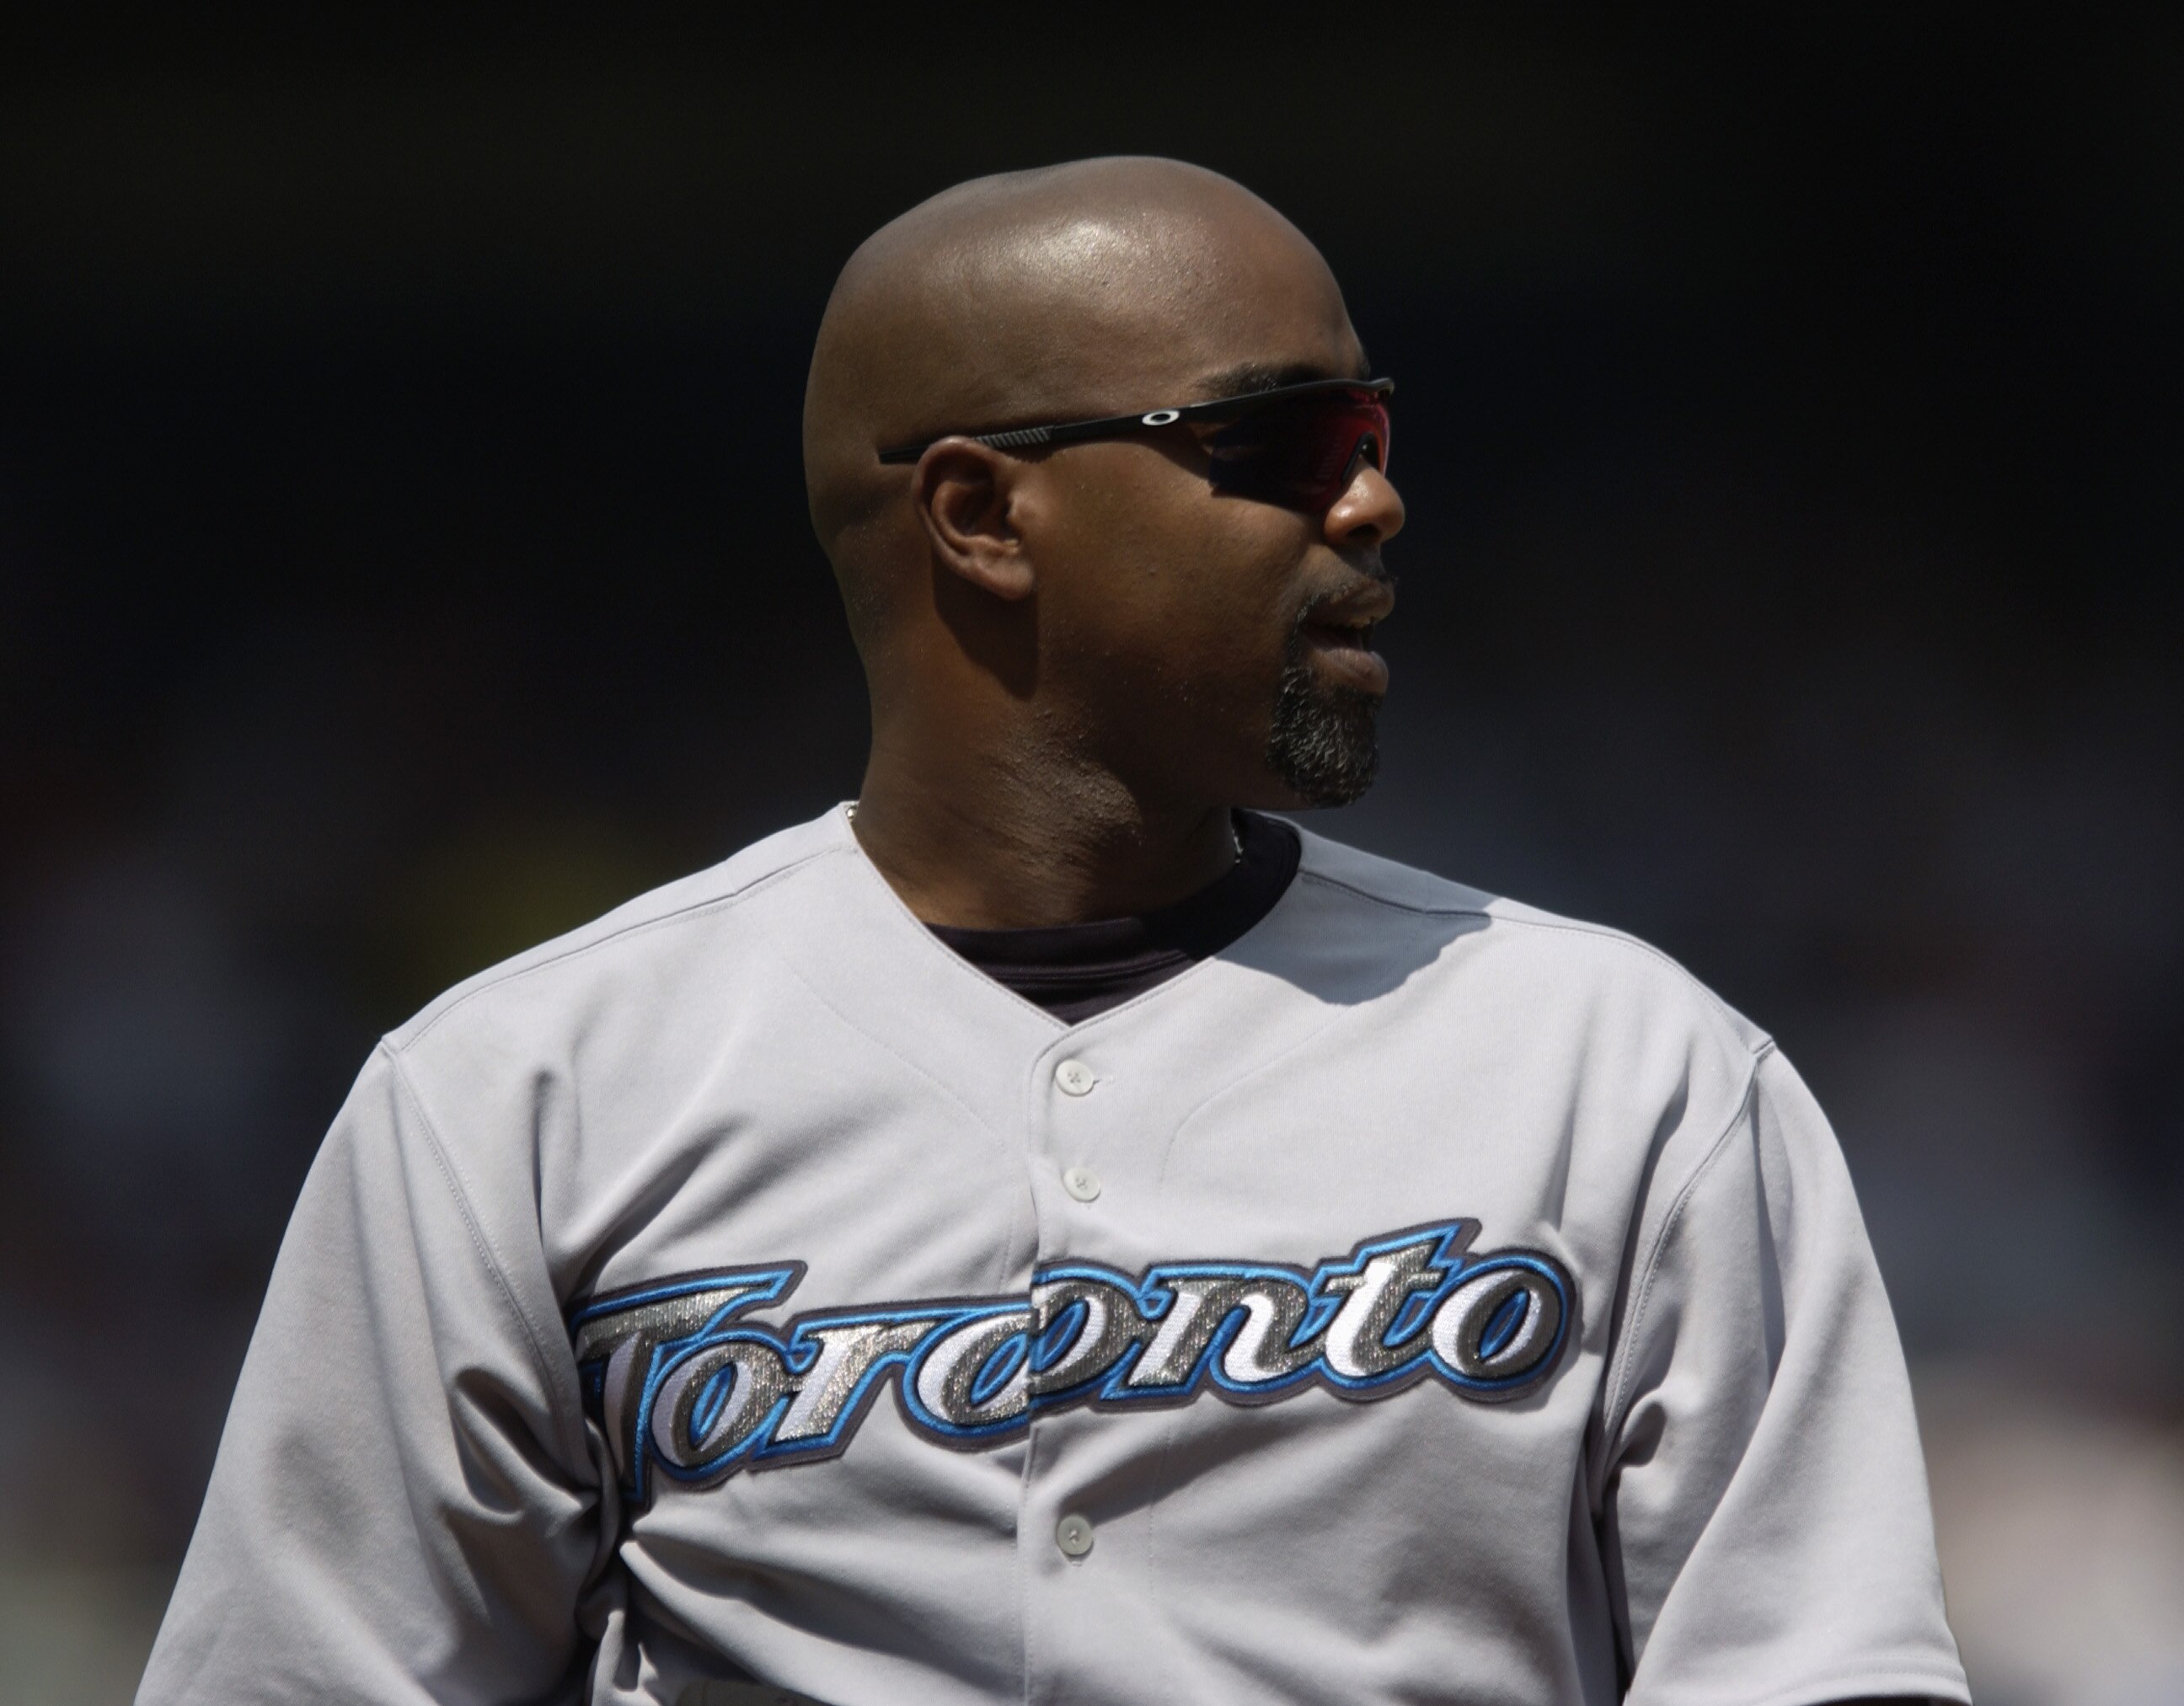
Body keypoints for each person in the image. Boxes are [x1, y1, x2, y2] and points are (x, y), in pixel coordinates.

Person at [138, 157, 1971, 1706]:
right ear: (982, 514)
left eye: (1377, 428)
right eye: (1283, 438)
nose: (1376, 496)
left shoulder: (1625, 1067)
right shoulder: (527, 1087)